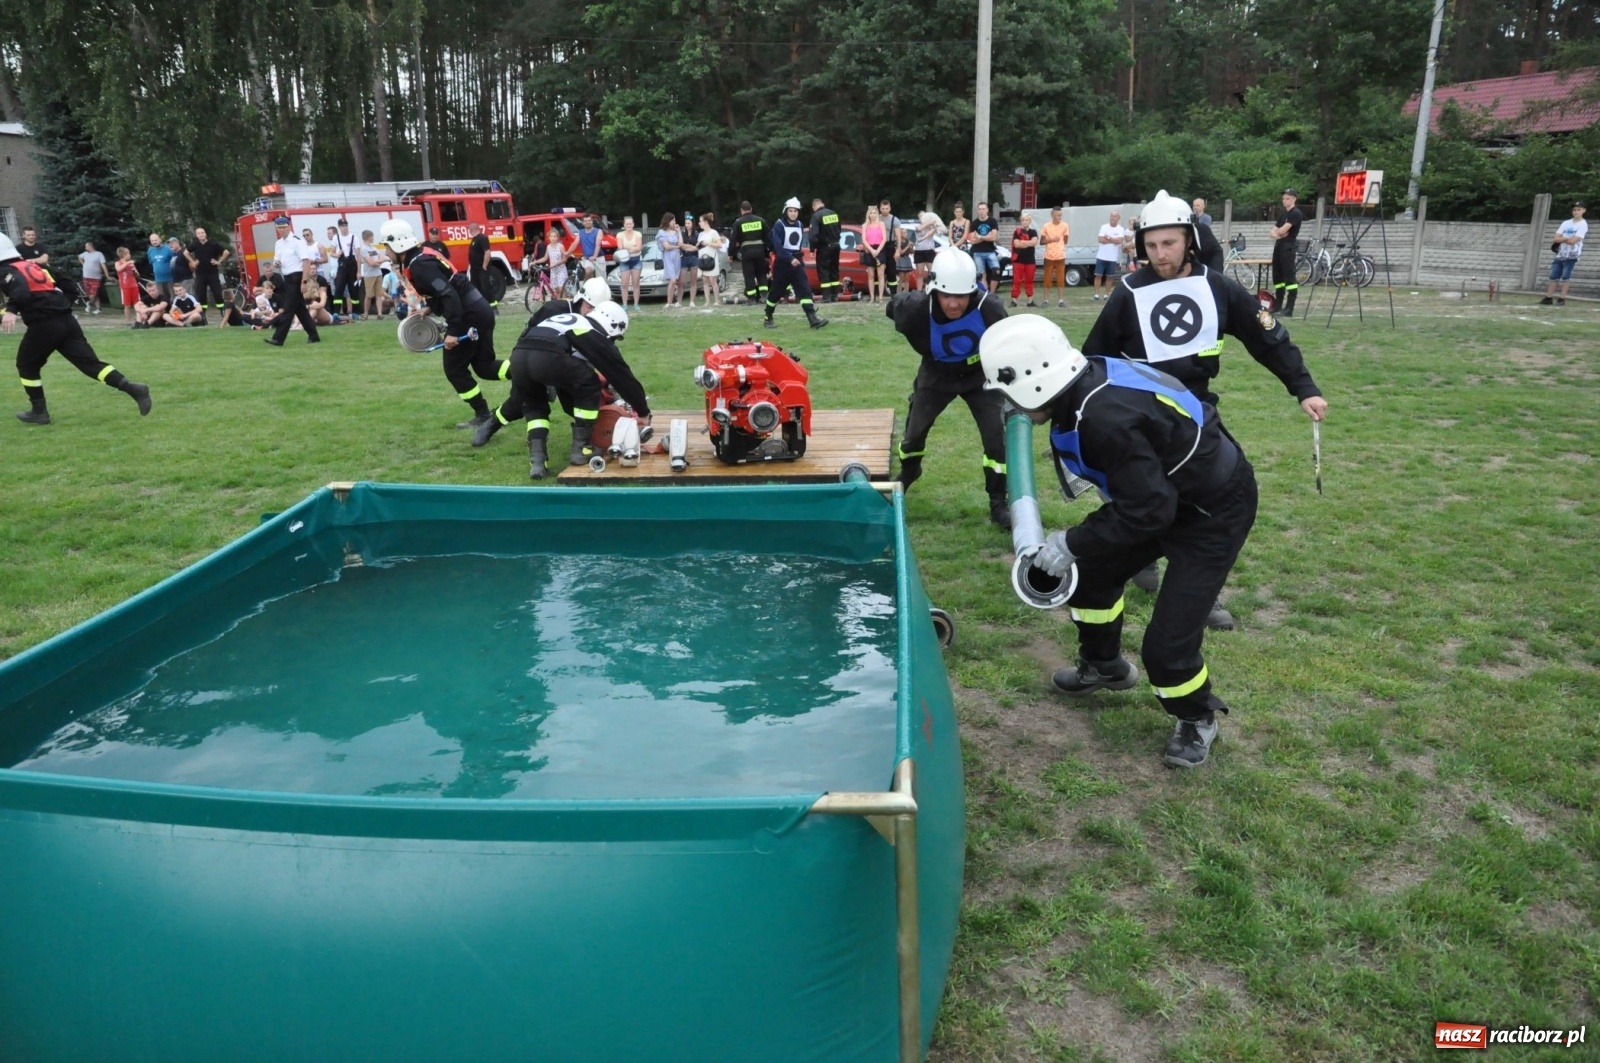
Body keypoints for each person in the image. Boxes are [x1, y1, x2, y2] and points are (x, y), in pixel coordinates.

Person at [979, 314, 1256, 769]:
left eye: (1009, 393)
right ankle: (1103, 666)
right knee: (1089, 575)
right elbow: (1146, 497)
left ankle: (1196, 716)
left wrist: (1070, 541)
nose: (1008, 404)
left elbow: (1149, 512)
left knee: (1167, 646)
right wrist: (1081, 549)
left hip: (1212, 511)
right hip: (1162, 493)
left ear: (1035, 381)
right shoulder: (1086, 380)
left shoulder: (1103, 420)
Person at [1081, 190, 1327, 630]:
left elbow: (1267, 337)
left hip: (1194, 413)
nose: (1161, 254)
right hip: (1139, 413)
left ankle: (1200, 591)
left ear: (1189, 240)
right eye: (1152, 245)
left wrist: (1303, 388)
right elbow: (1094, 358)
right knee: (1141, 494)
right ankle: (1140, 560)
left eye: (1169, 243)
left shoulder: (1217, 287)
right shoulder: (1129, 293)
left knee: (1207, 499)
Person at [885, 247, 1010, 528]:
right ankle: (910, 471)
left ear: (973, 292)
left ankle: (998, 501)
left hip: (979, 375)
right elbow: (892, 307)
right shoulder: (913, 309)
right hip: (936, 373)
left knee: (996, 436)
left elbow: (1009, 345)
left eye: (961, 296)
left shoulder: (990, 309)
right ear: (933, 291)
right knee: (914, 433)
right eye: (946, 296)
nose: (954, 304)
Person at [2, 233, 151, 424]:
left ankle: (39, 411)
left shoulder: (6, 270)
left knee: (26, 365)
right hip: (67, 320)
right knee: (89, 364)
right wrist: (62, 306)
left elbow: (21, 291)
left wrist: (11, 310)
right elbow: (68, 285)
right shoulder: (33, 265)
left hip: (44, 324)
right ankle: (133, 388)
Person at [380, 217, 506, 431]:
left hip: (469, 315)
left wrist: (453, 332)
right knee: (485, 367)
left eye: (387, 246)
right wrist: (429, 308)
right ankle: (533, 376)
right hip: (479, 310)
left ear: (398, 244)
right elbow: (447, 288)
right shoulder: (422, 256)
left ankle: (483, 414)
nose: (385, 252)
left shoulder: (420, 265)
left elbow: (449, 295)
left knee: (454, 369)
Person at [506, 301, 651, 478]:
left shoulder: (569, 320)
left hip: (518, 357)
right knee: (589, 383)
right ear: (612, 325)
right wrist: (642, 410)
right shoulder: (589, 329)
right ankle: (582, 449)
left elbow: (568, 389)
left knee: (535, 406)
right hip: (547, 357)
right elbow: (619, 373)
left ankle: (537, 462)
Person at [472, 276, 613, 451]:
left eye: (596, 309)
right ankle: (492, 423)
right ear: (580, 299)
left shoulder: (597, 321)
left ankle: (587, 440)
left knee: (580, 402)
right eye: (590, 307)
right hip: (534, 361)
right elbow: (528, 337)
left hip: (568, 367)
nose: (592, 313)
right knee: (519, 402)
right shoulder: (554, 309)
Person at [765, 197, 828, 330]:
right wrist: (790, 258)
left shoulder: (799, 224)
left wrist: (797, 258)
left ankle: (812, 318)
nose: (793, 213)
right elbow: (778, 246)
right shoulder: (779, 225)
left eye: (796, 211)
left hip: (797, 263)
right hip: (783, 264)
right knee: (776, 292)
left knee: (804, 289)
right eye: (791, 211)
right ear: (786, 211)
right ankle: (768, 316)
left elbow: (797, 246)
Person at [264, 216, 321, 346]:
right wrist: (276, 263)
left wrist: (304, 282)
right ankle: (313, 335)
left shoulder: (297, 242)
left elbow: (306, 262)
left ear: (288, 227)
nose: (281, 230)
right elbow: (277, 260)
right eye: (279, 228)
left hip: (297, 277)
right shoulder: (278, 243)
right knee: (300, 310)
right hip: (287, 277)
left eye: (283, 227)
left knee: (288, 309)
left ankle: (278, 338)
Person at [1541, 201, 1587, 305]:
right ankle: (1548, 298)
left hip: (1572, 254)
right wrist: (1566, 238)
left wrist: (1562, 238)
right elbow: (1556, 239)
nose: (1576, 212)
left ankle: (1562, 299)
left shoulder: (1583, 224)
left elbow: (1573, 241)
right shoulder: (1566, 223)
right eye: (1574, 210)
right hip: (1561, 253)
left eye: (1578, 209)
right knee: (1554, 276)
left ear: (1584, 210)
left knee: (1566, 276)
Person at [1269, 188, 1303, 316]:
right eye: (1283, 198)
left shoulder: (1295, 214)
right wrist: (1278, 234)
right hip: (1279, 246)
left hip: (1288, 247)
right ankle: (1278, 305)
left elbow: (1282, 230)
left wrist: (1279, 233)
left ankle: (1289, 308)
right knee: (1278, 277)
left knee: (1289, 277)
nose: (1284, 201)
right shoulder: (1283, 215)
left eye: (1287, 198)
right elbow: (1273, 232)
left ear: (1294, 199)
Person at [186, 226, 230, 322]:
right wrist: (192, 261)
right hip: (200, 274)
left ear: (205, 234)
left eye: (202, 232)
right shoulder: (195, 245)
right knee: (201, 294)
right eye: (199, 233)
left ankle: (223, 313)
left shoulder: (213, 244)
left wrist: (219, 261)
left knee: (218, 294)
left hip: (212, 273)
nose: (201, 234)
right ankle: (203, 315)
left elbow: (226, 252)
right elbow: (185, 252)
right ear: (196, 235)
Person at [732, 201, 769, 305]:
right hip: (759, 250)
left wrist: (730, 253)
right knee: (761, 273)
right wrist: (765, 250)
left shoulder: (738, 222)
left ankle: (752, 298)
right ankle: (764, 296)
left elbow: (733, 239)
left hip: (746, 250)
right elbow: (767, 236)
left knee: (749, 275)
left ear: (741, 210)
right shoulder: (760, 220)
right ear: (751, 209)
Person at [809, 198, 843, 302]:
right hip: (836, 245)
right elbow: (839, 228)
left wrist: (812, 249)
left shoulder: (816, 216)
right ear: (822, 204)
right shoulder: (833, 213)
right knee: (834, 269)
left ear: (814, 207)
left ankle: (826, 296)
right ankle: (835, 295)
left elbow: (813, 235)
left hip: (824, 247)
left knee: (824, 270)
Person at [330, 218, 362, 318]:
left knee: (353, 289)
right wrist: (337, 254)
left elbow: (358, 256)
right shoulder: (336, 238)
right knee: (339, 288)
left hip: (352, 265)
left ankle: (356, 312)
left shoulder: (354, 238)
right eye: (342, 226)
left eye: (346, 225)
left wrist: (359, 271)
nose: (344, 227)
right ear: (339, 227)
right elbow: (331, 253)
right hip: (342, 265)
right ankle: (336, 312)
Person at [1093, 210, 1127, 301]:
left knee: (1110, 276)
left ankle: (1106, 295)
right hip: (1101, 256)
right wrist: (1114, 240)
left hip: (1112, 257)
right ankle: (1096, 294)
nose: (1112, 218)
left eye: (1115, 216)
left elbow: (1120, 241)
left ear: (1118, 218)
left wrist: (1108, 237)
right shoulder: (1104, 227)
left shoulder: (1120, 229)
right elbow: (1100, 239)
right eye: (1111, 216)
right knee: (1098, 275)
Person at [1040, 207, 1070, 307]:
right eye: (1058, 215)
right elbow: (1041, 241)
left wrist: (1060, 244)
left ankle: (1061, 300)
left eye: (1061, 215)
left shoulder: (1065, 225)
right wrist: (1052, 240)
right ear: (1052, 215)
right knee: (1047, 278)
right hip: (1049, 256)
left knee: (1061, 279)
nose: (1060, 217)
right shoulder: (1046, 226)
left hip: (1060, 256)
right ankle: (1046, 300)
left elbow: (1066, 240)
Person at [969, 203, 1001, 293]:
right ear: (977, 211)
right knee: (982, 275)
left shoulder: (992, 221)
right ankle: (985, 294)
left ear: (987, 210)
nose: (981, 211)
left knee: (996, 271)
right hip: (977, 252)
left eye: (983, 209)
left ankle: (992, 293)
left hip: (990, 251)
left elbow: (994, 237)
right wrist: (987, 236)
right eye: (980, 209)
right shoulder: (974, 223)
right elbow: (973, 241)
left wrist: (980, 237)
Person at [614, 216, 643, 309]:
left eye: (630, 224)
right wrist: (633, 248)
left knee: (636, 283)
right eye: (627, 224)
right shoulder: (620, 235)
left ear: (633, 224)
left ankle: (636, 304)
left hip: (636, 260)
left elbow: (639, 247)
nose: (629, 225)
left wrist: (627, 248)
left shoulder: (638, 234)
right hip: (624, 261)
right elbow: (620, 247)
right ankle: (625, 304)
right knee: (624, 284)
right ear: (624, 225)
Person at [1010, 213, 1039, 307]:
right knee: (1017, 280)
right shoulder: (1017, 232)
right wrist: (1028, 243)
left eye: (1026, 220)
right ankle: (1014, 300)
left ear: (1030, 221)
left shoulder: (1033, 232)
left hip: (1030, 260)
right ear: (1021, 221)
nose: (1025, 222)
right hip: (1018, 259)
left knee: (1029, 280)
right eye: (1023, 220)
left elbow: (1034, 243)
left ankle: (1030, 301)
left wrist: (1022, 241)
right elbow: (1016, 245)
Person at [878, 198, 905, 297]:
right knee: (879, 270)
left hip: (890, 245)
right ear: (880, 208)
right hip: (878, 246)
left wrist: (898, 250)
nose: (885, 210)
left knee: (891, 270)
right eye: (883, 208)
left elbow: (898, 236)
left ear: (890, 208)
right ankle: (877, 293)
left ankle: (893, 294)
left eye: (886, 208)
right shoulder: (877, 218)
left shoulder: (895, 220)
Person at [696, 213, 724, 307]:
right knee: (705, 280)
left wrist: (708, 243)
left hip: (711, 258)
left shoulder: (713, 232)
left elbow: (719, 245)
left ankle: (717, 300)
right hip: (702, 259)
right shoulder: (700, 234)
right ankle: (707, 301)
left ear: (706, 222)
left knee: (713, 280)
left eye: (700, 221)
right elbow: (698, 246)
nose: (699, 223)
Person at [657, 213, 684, 307]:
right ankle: (668, 302)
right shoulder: (662, 232)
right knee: (672, 280)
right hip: (668, 256)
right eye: (673, 221)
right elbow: (666, 246)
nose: (674, 222)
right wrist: (676, 247)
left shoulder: (675, 232)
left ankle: (671, 301)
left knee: (675, 280)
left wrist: (679, 231)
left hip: (676, 257)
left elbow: (681, 243)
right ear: (668, 221)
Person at [360, 230, 386, 317]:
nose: (373, 238)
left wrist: (377, 262)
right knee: (369, 296)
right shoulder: (363, 249)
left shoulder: (373, 248)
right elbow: (371, 263)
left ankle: (380, 314)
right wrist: (379, 262)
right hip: (369, 275)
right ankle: (366, 313)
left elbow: (382, 258)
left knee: (379, 294)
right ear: (368, 237)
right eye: (372, 236)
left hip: (378, 274)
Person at [575, 215, 605, 288]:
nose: (587, 222)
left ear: (592, 221)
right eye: (585, 221)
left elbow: (598, 244)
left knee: (601, 281)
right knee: (588, 271)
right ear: (583, 223)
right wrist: (567, 253)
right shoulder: (580, 232)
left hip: (598, 258)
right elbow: (575, 243)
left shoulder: (598, 231)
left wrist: (594, 256)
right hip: (587, 258)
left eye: (589, 220)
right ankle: (584, 288)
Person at [113, 246, 140, 324]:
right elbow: (119, 269)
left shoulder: (131, 264)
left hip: (134, 285)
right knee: (127, 305)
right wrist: (127, 263)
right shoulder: (118, 263)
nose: (130, 255)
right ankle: (128, 321)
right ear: (124, 254)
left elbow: (138, 275)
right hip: (125, 287)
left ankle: (138, 320)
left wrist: (135, 272)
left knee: (137, 304)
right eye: (128, 253)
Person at [912, 211, 941, 282]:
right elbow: (919, 229)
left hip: (929, 250)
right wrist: (930, 222)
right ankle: (919, 288)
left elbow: (932, 231)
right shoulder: (917, 226)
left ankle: (931, 287)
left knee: (932, 273)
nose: (923, 218)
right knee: (920, 274)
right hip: (919, 251)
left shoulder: (932, 226)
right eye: (921, 217)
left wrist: (923, 237)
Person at [679, 212, 700, 306]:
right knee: (681, 281)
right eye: (686, 223)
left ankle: (692, 301)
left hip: (694, 258)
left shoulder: (696, 234)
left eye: (689, 223)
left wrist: (687, 247)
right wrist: (690, 247)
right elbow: (681, 245)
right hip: (684, 258)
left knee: (693, 281)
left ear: (692, 224)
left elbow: (697, 247)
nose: (687, 225)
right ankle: (679, 301)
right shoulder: (683, 234)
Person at [147, 233, 175, 302]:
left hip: (170, 279)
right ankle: (166, 309)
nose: (154, 242)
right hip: (158, 280)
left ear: (160, 240)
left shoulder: (168, 249)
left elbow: (174, 261)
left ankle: (175, 309)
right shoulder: (150, 250)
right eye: (152, 241)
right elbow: (151, 262)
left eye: (156, 240)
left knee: (173, 299)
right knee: (163, 299)